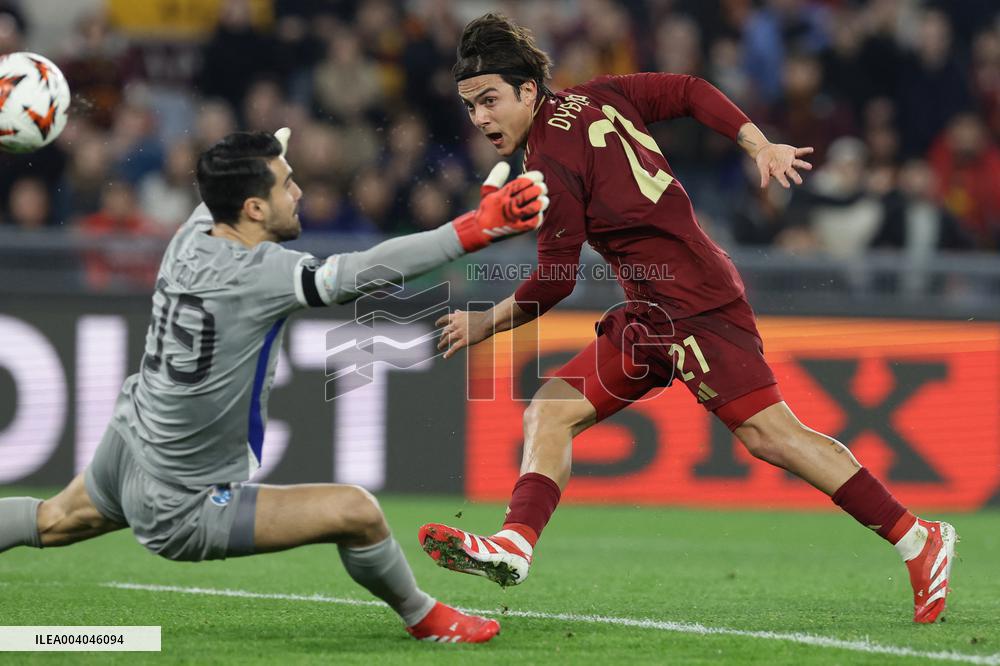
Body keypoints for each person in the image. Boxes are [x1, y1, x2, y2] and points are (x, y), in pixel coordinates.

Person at [418, 13, 955, 624]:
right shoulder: (597, 96)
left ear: (528, 91)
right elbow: (690, 91)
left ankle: (920, 538)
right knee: (551, 410)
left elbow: (556, 280)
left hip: (694, 303)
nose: (481, 119)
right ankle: (514, 544)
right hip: (654, 308)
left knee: (769, 434)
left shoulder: (549, 164)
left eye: (489, 101)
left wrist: (486, 322)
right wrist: (758, 142)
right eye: (470, 107)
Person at [0, 127, 549, 643]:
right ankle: (426, 619)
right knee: (356, 512)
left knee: (51, 520)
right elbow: (359, 271)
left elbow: (225, 176)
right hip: (181, 501)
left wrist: (268, 144)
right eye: (286, 184)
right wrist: (470, 230)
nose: (299, 191)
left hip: (132, 441)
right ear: (254, 208)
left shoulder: (193, 233)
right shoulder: (261, 275)